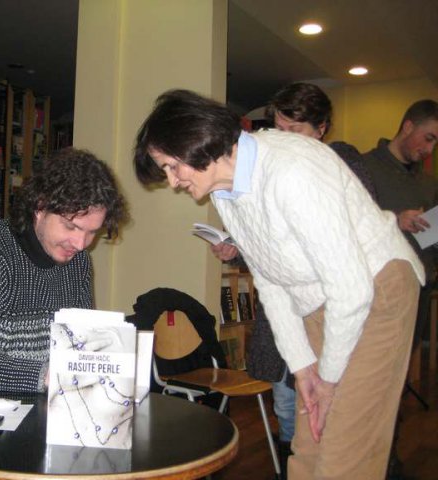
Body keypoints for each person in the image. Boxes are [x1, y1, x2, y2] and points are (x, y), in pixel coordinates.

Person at [133, 89, 424, 479]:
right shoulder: (224, 192)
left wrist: (328, 379)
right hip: (322, 300)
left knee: (345, 453)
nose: (172, 182)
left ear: (198, 143)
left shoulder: (291, 169)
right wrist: (304, 370)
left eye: (172, 166)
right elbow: (270, 281)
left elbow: (352, 289)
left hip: (376, 289)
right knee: (308, 442)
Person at [213, 82, 377, 478]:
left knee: (332, 408)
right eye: (280, 128)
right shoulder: (264, 167)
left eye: (296, 130)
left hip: (332, 303)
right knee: (287, 403)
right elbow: (272, 244)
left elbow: (351, 240)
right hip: (285, 307)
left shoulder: (340, 162)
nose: (284, 139)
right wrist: (237, 248)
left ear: (322, 129)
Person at [0, 148, 127, 393]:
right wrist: (47, 376)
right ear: (40, 207)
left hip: (40, 397)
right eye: (71, 227)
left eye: (92, 232)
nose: (81, 244)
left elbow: (80, 345)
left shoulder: (78, 262)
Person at [362, 100, 438, 348]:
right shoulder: (363, 168)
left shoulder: (429, 184)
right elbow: (346, 225)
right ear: (408, 127)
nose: (430, 149)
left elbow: (432, 242)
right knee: (372, 365)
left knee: (403, 364)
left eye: (435, 143)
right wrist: (395, 220)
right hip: (377, 292)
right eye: (428, 138)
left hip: (419, 288)